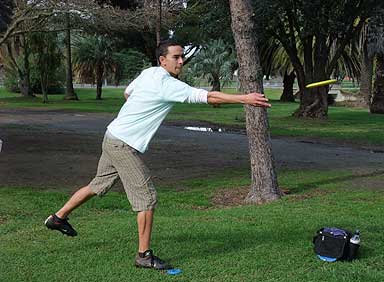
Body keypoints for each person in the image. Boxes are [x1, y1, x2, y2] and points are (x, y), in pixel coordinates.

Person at [44, 40, 271, 269]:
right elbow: (207, 97)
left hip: (112, 135)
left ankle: (58, 218)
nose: (181, 61)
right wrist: (245, 98)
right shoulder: (167, 84)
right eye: (176, 57)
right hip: (122, 144)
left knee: (98, 185)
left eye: (183, 57)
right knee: (147, 198)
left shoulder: (148, 73)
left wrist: (138, 111)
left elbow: (127, 93)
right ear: (162, 60)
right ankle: (144, 256)